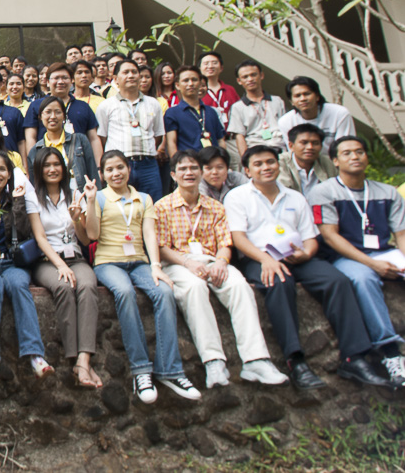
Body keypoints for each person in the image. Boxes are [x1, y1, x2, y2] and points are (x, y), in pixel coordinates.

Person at [224, 145, 389, 389]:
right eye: (258, 164)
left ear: (278, 165)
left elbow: (310, 237)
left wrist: (307, 254)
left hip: (297, 256)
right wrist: (266, 260)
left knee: (337, 281)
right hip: (259, 259)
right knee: (279, 282)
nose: (266, 167)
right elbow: (238, 239)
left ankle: (354, 357)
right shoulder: (237, 197)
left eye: (270, 162)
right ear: (247, 170)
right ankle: (296, 360)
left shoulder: (295, 197)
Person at [154, 151, 288, 389]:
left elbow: (225, 243)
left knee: (239, 286)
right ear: (173, 175)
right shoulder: (162, 207)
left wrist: (221, 262)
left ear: (201, 173)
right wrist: (188, 263)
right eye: (183, 169)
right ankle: (213, 361)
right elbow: (162, 247)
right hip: (178, 263)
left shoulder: (216, 207)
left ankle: (256, 360)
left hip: (212, 260)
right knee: (194, 288)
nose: (189, 173)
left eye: (194, 168)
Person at [85, 150, 201, 403]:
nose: (116, 173)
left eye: (120, 167)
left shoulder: (145, 199)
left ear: (129, 169)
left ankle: (170, 370)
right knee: (125, 293)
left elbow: (150, 234)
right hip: (108, 263)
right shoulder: (100, 197)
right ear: (102, 175)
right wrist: (91, 203)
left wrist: (156, 266)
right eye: (109, 170)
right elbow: (92, 235)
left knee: (164, 292)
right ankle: (141, 371)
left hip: (139, 262)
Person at [307, 136, 405, 386]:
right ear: (336, 161)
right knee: (363, 279)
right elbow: (329, 236)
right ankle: (390, 353)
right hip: (343, 256)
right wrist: (373, 265)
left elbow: (401, 235)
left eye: (360, 152)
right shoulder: (324, 191)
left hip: (383, 251)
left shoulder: (387, 192)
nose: (355, 157)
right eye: (348, 153)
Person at [0, 151, 54, 382]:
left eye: (2, 169)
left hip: (12, 264)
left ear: (9, 174)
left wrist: (17, 202)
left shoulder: (16, 198)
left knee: (18, 285)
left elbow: (24, 232)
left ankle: (35, 355)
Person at [29, 147, 101, 389]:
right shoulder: (33, 198)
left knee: (89, 286)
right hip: (47, 261)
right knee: (63, 286)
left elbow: (87, 237)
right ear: (39, 169)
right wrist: (60, 265)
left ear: (64, 167)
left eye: (56, 164)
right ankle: (73, 356)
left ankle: (84, 359)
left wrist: (79, 217)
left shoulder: (75, 194)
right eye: (47, 165)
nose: (52, 169)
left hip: (76, 258)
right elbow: (40, 237)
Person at [96, 60, 166, 202]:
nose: (131, 76)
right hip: (119, 165)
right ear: (115, 79)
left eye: (134, 72)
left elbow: (158, 135)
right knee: (121, 207)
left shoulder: (153, 103)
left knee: (153, 205)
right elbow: (101, 137)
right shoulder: (106, 106)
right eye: (126, 72)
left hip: (148, 165)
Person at [23, 62, 102, 167]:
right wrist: (34, 164)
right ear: (47, 82)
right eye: (56, 78)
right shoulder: (36, 106)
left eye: (64, 78)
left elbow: (94, 138)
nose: (60, 82)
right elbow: (30, 138)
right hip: (46, 165)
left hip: (79, 164)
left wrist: (99, 167)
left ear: (72, 81)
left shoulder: (83, 106)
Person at [27, 96, 97, 193]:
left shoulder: (80, 140)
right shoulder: (35, 151)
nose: (53, 116)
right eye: (48, 112)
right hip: (50, 204)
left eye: (58, 112)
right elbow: (35, 187)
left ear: (64, 116)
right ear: (40, 116)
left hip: (81, 199)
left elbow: (93, 174)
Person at [277, 76, 355, 152]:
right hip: (306, 162)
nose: (303, 99)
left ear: (317, 96)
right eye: (298, 96)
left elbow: (346, 146)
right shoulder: (286, 121)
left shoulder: (339, 113)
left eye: (307, 94)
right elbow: (294, 152)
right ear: (291, 101)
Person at [164, 65, 226, 157]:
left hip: (213, 164)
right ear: (177, 85)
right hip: (189, 165)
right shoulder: (172, 113)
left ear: (200, 83)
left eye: (194, 80)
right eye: (186, 80)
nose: (190, 84)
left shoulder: (211, 111)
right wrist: (176, 165)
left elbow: (220, 140)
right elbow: (171, 143)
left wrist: (224, 161)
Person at [228, 59, 287, 154]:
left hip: (280, 150)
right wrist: (246, 161)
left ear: (261, 75)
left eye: (253, 75)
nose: (250, 79)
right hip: (256, 152)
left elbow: (286, 128)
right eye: (245, 77)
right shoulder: (237, 107)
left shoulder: (277, 101)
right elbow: (240, 136)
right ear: (239, 81)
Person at [277, 124, 337, 196]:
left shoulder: (329, 163)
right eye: (304, 143)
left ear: (321, 146)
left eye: (315, 143)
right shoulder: (278, 162)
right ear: (291, 146)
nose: (310, 147)